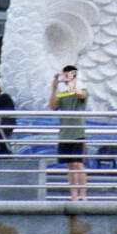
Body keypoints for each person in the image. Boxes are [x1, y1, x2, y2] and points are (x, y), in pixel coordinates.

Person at [49, 65, 87, 200]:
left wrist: (70, 82)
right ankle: (74, 195)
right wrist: (54, 87)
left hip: (77, 133)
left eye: (69, 75)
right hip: (64, 134)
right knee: (70, 165)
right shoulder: (62, 94)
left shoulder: (81, 89)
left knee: (78, 163)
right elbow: (53, 106)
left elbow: (81, 95)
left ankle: (83, 195)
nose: (65, 77)